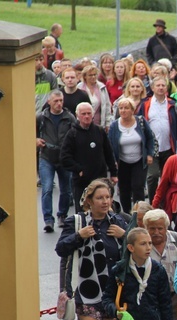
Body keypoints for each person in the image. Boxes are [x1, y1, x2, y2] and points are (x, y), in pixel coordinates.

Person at [56, 179, 127, 320]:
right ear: (89, 201)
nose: (105, 202)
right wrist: (79, 236)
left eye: (107, 197)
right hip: (85, 286)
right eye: (100, 198)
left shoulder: (118, 222)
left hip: (110, 286)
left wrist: (124, 237)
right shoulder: (76, 222)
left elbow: (133, 248)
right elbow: (61, 248)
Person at [61, 103, 118, 213]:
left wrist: (114, 173)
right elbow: (64, 158)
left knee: (102, 209)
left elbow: (108, 153)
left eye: (89, 113)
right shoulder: (72, 134)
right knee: (83, 211)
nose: (86, 116)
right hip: (82, 181)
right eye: (83, 114)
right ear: (77, 116)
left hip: (100, 179)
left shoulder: (100, 131)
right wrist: (79, 169)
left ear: (92, 115)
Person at [139, 76, 177, 203]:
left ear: (167, 88)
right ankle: (154, 202)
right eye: (158, 85)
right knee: (153, 176)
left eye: (163, 85)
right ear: (152, 88)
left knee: (167, 177)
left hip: (168, 147)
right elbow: (139, 125)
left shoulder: (172, 105)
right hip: (151, 148)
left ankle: (166, 203)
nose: (160, 88)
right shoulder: (145, 104)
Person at [107, 97, 156, 214]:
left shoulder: (141, 122)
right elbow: (109, 145)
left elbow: (150, 138)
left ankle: (139, 213)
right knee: (124, 189)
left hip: (139, 160)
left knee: (138, 187)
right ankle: (127, 213)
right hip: (122, 162)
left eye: (126, 108)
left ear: (132, 110)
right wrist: (112, 161)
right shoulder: (114, 126)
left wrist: (150, 154)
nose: (123, 111)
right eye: (121, 108)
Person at [37, 89, 75, 232]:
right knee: (47, 188)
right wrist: (35, 139)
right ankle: (48, 219)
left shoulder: (69, 117)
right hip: (47, 157)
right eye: (56, 101)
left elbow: (76, 133)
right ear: (49, 102)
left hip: (64, 158)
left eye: (61, 101)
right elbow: (28, 129)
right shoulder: (41, 117)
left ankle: (62, 215)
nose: (59, 104)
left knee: (66, 190)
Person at [78, 66, 113, 130]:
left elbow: (107, 106)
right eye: (90, 75)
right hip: (82, 124)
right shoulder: (79, 88)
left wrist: (108, 123)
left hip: (99, 123)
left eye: (94, 75)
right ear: (85, 76)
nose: (93, 77)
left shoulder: (102, 87)